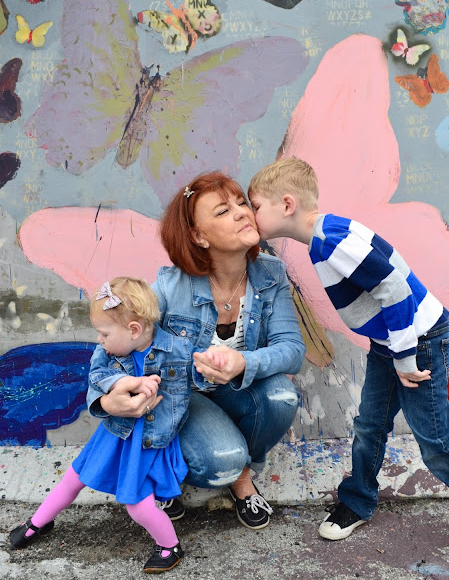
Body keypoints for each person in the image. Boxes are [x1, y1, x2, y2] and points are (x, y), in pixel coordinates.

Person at [248, 157, 449, 540]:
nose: (251, 215)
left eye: (256, 206)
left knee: (436, 441)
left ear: (287, 204)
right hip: (390, 345)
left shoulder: (331, 241)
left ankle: (357, 498)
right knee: (370, 425)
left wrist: (405, 358)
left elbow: (395, 289)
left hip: (418, 343)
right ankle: (357, 500)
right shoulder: (327, 234)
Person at [97, 172, 306, 530]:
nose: (242, 212)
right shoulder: (170, 286)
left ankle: (242, 477)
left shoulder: (271, 274)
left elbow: (293, 349)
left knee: (282, 396)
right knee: (221, 460)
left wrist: (245, 362)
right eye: (223, 211)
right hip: (181, 399)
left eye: (241, 203)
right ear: (198, 236)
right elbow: (113, 343)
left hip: (236, 392)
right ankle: (167, 471)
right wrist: (105, 397)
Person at [9, 277, 224, 573]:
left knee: (137, 505)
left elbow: (201, 377)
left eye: (104, 333)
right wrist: (125, 382)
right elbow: (97, 376)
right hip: (114, 434)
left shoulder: (178, 349)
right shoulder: (107, 352)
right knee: (74, 478)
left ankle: (169, 545)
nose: (100, 340)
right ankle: (38, 522)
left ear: (134, 330)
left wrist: (211, 367)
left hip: (148, 442)